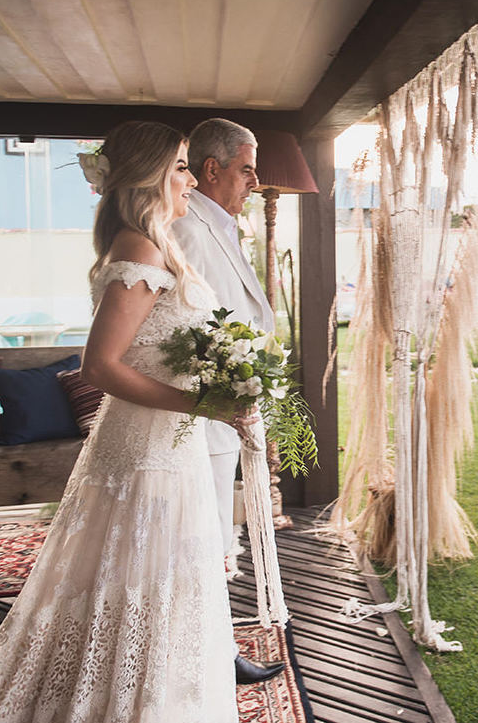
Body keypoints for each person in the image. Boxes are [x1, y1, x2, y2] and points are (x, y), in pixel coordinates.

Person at [0, 121, 246, 723]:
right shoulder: (140, 249)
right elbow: (98, 366)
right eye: (179, 166)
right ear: (148, 177)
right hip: (148, 447)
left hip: (164, 445)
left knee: (163, 583)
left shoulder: (158, 243)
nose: (187, 178)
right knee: (142, 580)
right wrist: (201, 405)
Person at [171, 117, 285, 685]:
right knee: (208, 537)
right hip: (203, 414)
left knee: (212, 534)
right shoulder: (189, 228)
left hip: (224, 408)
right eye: (246, 169)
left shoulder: (217, 223)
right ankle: (210, 656)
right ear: (211, 169)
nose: (254, 182)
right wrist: (229, 387)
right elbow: (185, 327)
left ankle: (210, 647)